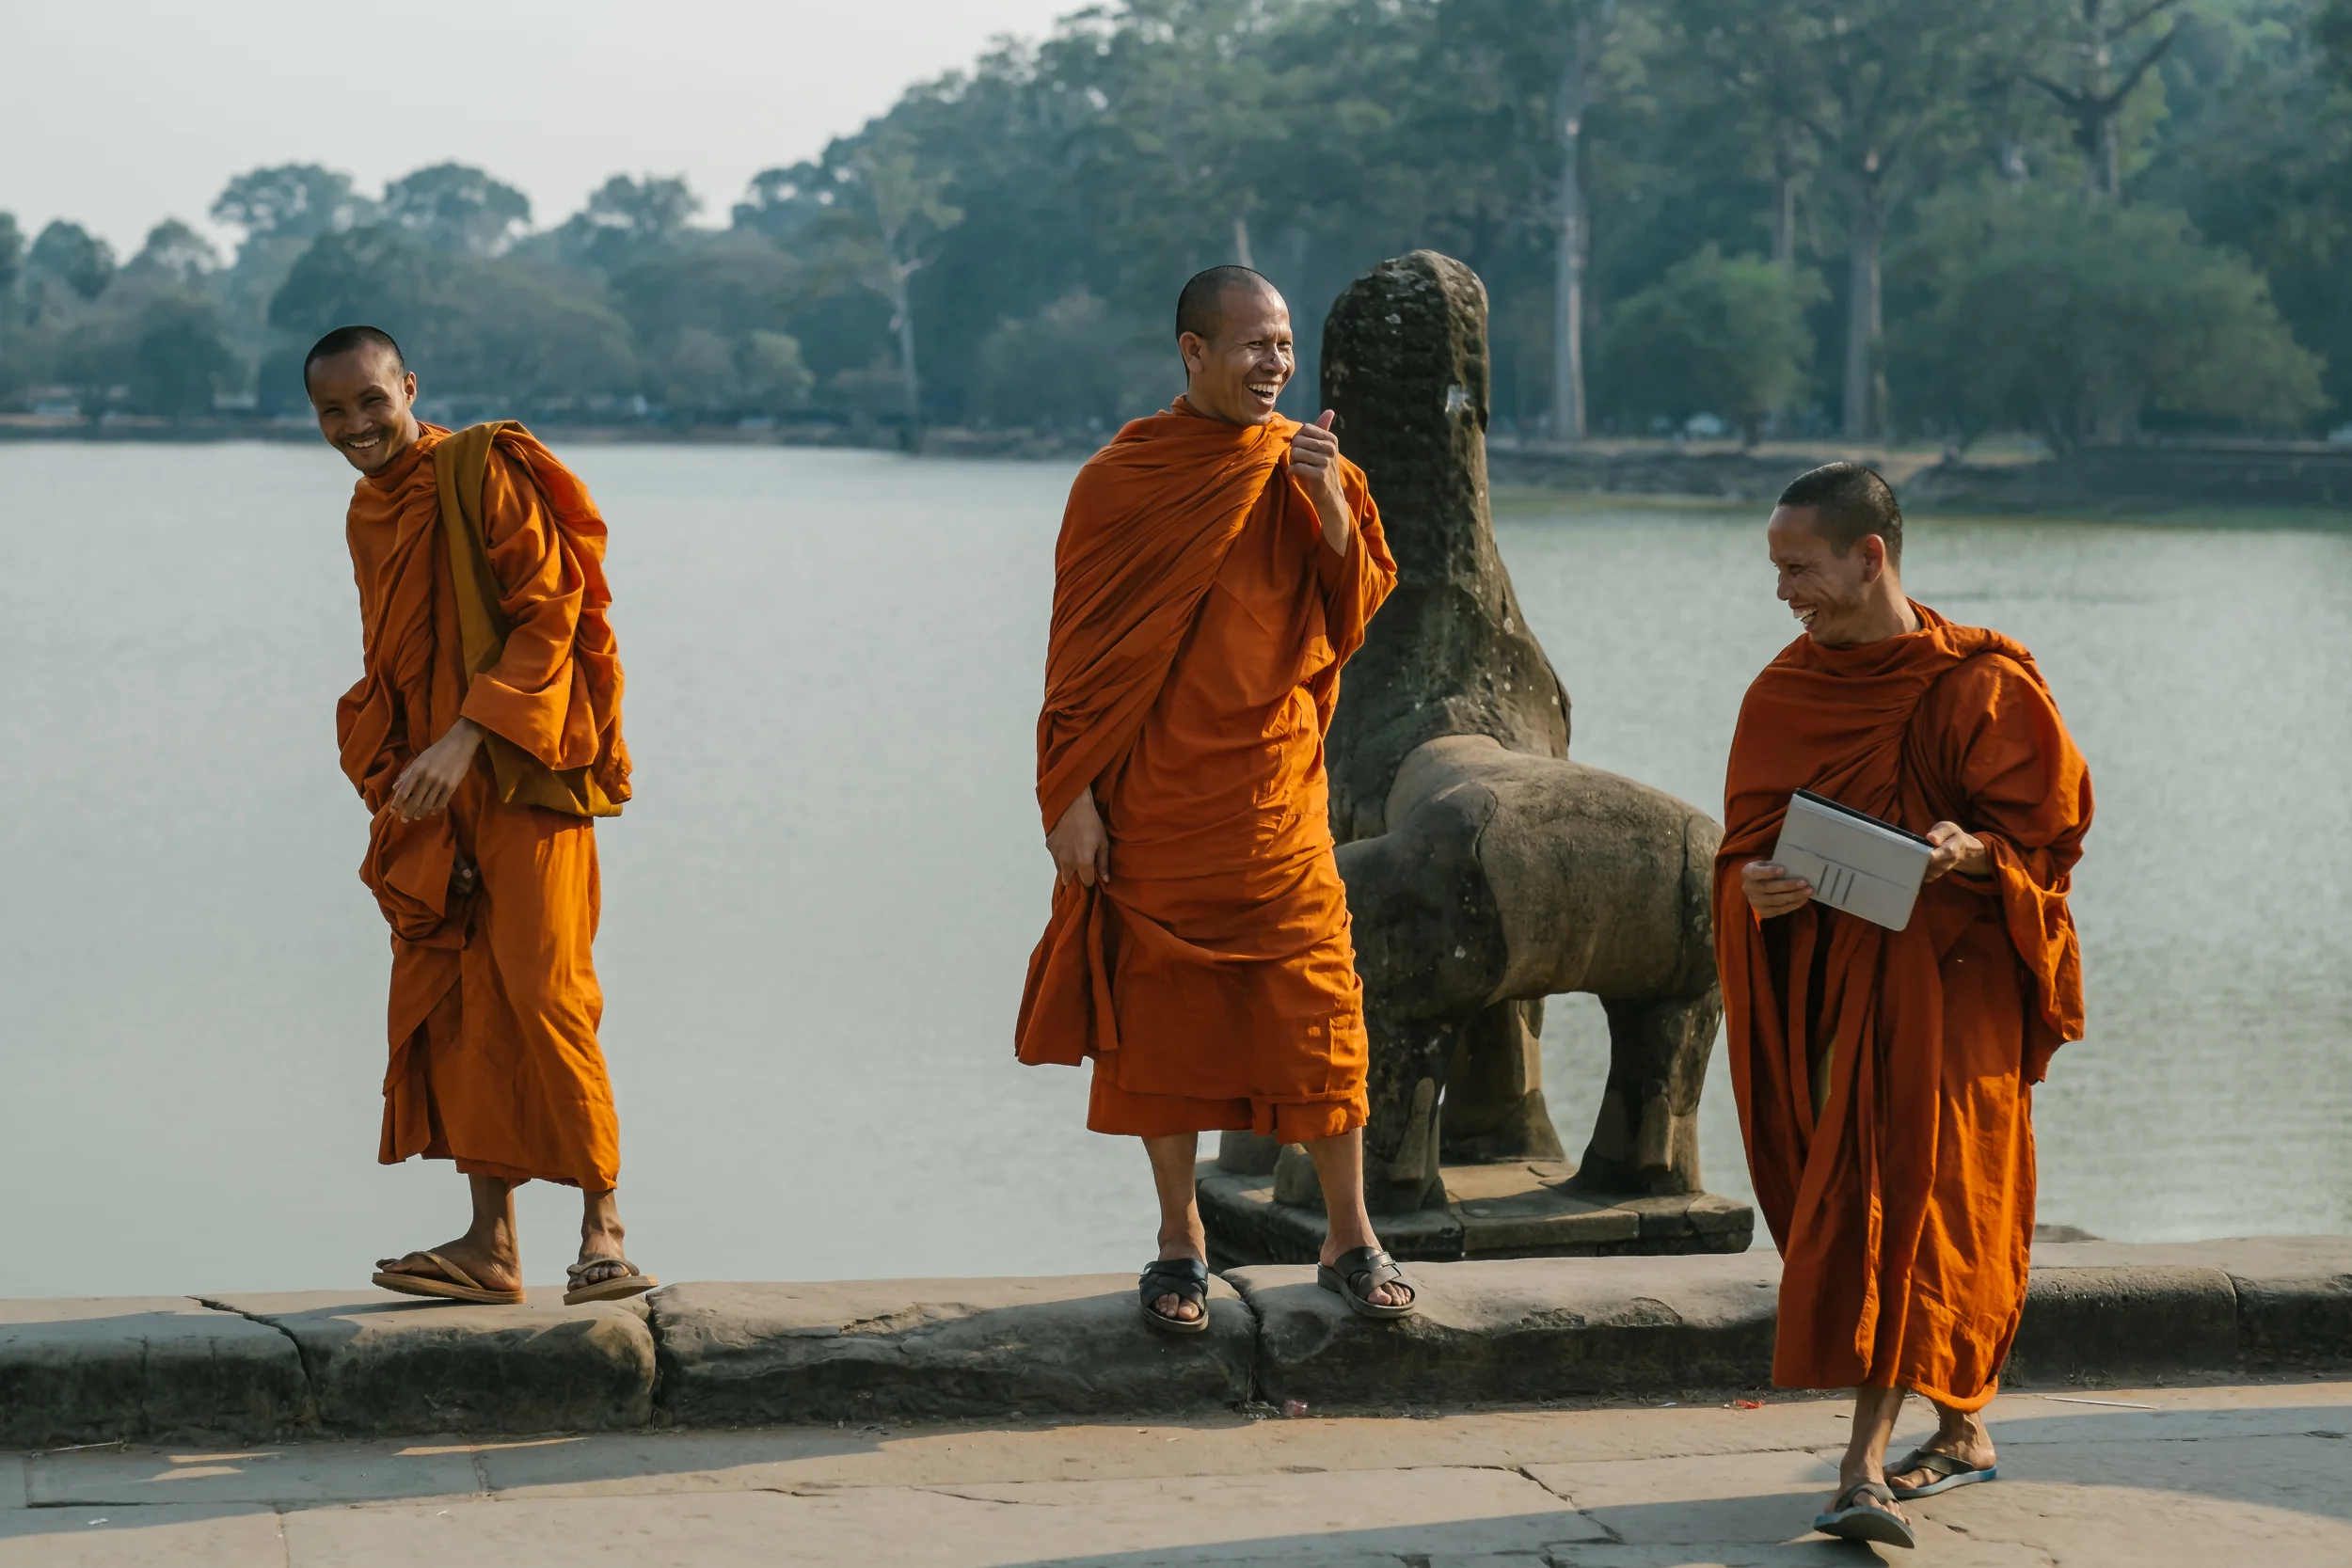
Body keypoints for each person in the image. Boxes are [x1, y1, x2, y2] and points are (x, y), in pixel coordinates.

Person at [1016, 266, 1416, 1330]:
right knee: (1163, 1030)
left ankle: (1350, 1235)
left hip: (1274, 796)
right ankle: (1179, 1239)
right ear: (1193, 352)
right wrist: (1069, 795)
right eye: (1252, 344)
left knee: (1321, 1013)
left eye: (1283, 345)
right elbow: (1077, 653)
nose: (1274, 364)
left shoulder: (1315, 468)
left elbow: (1355, 609)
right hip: (1154, 799)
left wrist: (1328, 505)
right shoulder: (1121, 481)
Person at [1718, 463, 2093, 1548]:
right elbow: (1742, 848)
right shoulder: (1782, 692)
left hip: (1952, 990)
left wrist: (1973, 851)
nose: (1783, 592)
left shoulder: (1981, 684)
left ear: (1868, 555)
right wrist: (1754, 889)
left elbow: (2047, 844)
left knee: (1925, 1203)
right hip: (1837, 997)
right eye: (1776, 568)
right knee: (1876, 1201)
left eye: (1800, 568)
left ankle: (1861, 1469)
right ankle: (1962, 1427)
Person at [307, 325, 653, 1308]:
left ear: (409, 387)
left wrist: (468, 736)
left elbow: (552, 612)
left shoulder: (479, 470)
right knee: (458, 992)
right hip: (432, 790)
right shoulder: (367, 513)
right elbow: (391, 662)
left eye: (371, 400)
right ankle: (490, 1243)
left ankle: (603, 1229)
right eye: (332, 411)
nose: (356, 425)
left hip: (520, 772)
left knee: (548, 991)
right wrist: (396, 785)